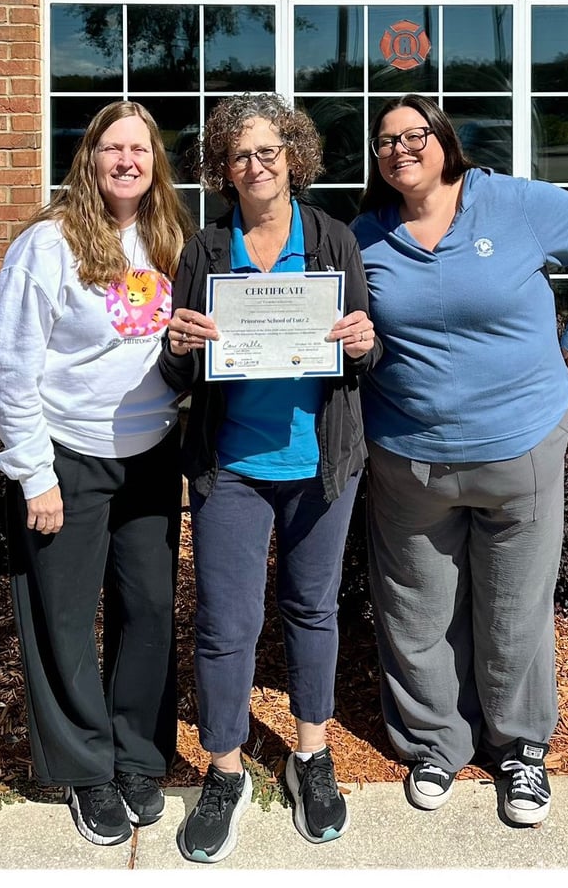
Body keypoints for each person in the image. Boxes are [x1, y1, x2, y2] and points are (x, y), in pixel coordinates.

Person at [351, 94, 568, 828]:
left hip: (520, 444)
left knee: (515, 605)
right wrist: (359, 344)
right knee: (414, 607)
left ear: (444, 139)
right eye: (385, 140)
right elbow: (365, 338)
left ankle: (518, 750)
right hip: (409, 455)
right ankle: (434, 742)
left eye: (415, 133)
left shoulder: (511, 202)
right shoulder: (365, 237)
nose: (401, 148)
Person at [160, 92, 380, 864]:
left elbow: (367, 353)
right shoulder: (204, 249)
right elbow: (173, 366)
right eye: (240, 154)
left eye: (269, 150)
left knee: (311, 610)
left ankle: (310, 754)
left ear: (294, 157)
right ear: (223, 168)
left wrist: (362, 340)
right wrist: (180, 342)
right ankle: (225, 769)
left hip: (322, 464)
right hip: (233, 468)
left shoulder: (332, 239)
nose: (256, 165)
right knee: (226, 623)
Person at [0, 100, 193, 847]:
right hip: (66, 455)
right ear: (89, 158)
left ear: (155, 161)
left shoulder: (170, 237)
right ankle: (85, 769)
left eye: (140, 148)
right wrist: (33, 472)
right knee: (64, 618)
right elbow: (7, 363)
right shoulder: (48, 244)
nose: (127, 160)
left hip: (150, 454)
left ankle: (137, 755)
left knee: (149, 611)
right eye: (113, 148)